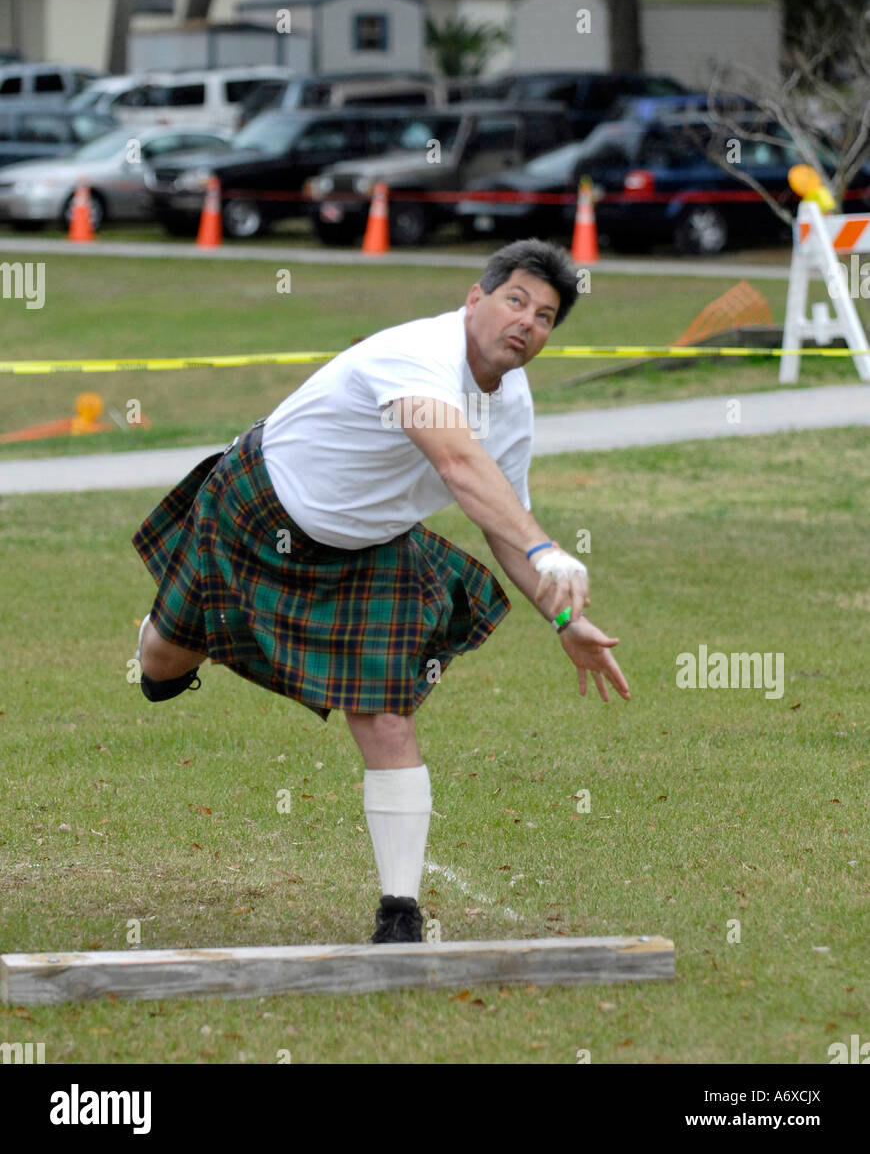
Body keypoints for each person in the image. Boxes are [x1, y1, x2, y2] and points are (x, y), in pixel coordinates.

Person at [131, 238, 630, 944]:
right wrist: (549, 550)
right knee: (162, 662)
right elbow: (458, 466)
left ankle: (400, 911)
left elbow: (502, 523)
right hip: (259, 509)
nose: (528, 322)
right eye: (516, 300)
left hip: (368, 548)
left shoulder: (512, 405)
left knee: (386, 714)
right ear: (475, 299)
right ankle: (166, 641)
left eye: (547, 316)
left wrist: (564, 622)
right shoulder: (418, 354)